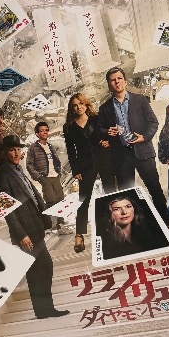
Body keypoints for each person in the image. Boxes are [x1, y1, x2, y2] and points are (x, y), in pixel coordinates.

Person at [0, 136, 70, 320]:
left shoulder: (18, 170)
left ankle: (45, 310)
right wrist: (21, 235)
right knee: (40, 269)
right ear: (4, 153)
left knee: (42, 268)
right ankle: (44, 310)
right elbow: (7, 210)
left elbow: (33, 196)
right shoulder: (1, 175)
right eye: (12, 150)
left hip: (35, 227)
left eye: (18, 149)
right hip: (25, 232)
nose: (16, 153)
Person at [97, 67, 169, 232]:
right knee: (128, 197)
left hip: (143, 151)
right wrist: (107, 132)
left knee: (155, 190)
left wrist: (144, 137)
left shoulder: (140, 100)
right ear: (109, 85)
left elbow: (153, 122)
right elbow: (100, 130)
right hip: (121, 156)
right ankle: (138, 231)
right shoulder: (105, 108)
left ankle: (165, 227)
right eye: (113, 80)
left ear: (125, 81)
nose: (117, 82)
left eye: (119, 78)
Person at [63, 93, 99, 254]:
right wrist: (75, 169)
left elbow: (104, 136)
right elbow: (71, 151)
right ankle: (79, 235)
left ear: (86, 104)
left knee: (111, 193)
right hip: (85, 166)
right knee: (83, 200)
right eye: (75, 105)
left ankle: (116, 228)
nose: (79, 107)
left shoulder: (96, 119)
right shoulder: (69, 126)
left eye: (81, 103)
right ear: (72, 108)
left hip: (103, 160)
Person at [98, 192, 169, 261]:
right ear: (109, 214)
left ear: (134, 209)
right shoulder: (106, 242)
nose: (124, 212)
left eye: (128, 207)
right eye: (116, 209)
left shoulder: (149, 233)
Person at [25, 122, 67, 231]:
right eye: (42, 130)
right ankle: (52, 224)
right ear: (37, 133)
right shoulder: (33, 148)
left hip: (55, 175)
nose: (45, 132)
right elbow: (29, 164)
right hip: (45, 177)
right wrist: (38, 177)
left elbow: (55, 160)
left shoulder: (50, 146)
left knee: (60, 198)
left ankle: (61, 222)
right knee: (51, 199)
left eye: (46, 130)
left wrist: (58, 171)